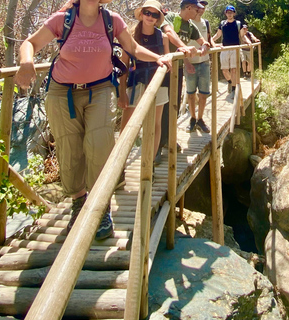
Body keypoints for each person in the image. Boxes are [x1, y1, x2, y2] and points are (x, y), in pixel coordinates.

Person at [14, 0, 171, 240]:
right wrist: (27, 62)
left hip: (98, 89)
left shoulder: (112, 20)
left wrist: (158, 58)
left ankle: (101, 207)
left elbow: (133, 48)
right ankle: (78, 203)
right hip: (61, 91)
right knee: (69, 148)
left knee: (99, 144)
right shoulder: (62, 19)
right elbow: (30, 43)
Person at [156, 0, 210, 161]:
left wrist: (204, 47)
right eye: (196, 10)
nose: (198, 13)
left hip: (177, 69)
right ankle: (157, 147)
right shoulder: (171, 17)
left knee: (174, 105)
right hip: (162, 68)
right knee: (161, 106)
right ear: (188, 8)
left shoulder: (191, 26)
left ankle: (168, 140)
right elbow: (169, 33)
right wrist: (183, 47)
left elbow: (203, 41)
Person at [118, 0, 170, 170]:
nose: (150, 17)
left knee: (155, 124)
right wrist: (121, 91)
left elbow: (168, 60)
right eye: (147, 13)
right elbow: (123, 65)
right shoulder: (131, 36)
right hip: (136, 83)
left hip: (157, 83)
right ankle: (119, 167)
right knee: (127, 126)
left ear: (158, 18)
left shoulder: (162, 37)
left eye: (154, 14)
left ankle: (149, 164)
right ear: (141, 14)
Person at [185, 0, 216, 133]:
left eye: (203, 7)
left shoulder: (206, 23)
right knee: (191, 93)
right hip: (190, 62)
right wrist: (186, 62)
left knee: (203, 93)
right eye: (199, 7)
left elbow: (209, 39)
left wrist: (215, 46)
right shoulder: (187, 23)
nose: (201, 9)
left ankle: (200, 119)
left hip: (204, 62)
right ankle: (192, 119)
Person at [212, 5, 245, 99]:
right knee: (225, 70)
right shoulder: (222, 24)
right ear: (225, 13)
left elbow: (242, 36)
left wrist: (249, 42)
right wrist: (209, 41)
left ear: (234, 13)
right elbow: (218, 35)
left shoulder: (238, 24)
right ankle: (230, 82)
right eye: (228, 12)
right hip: (225, 49)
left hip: (235, 49)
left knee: (234, 69)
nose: (229, 14)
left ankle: (234, 89)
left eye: (231, 12)